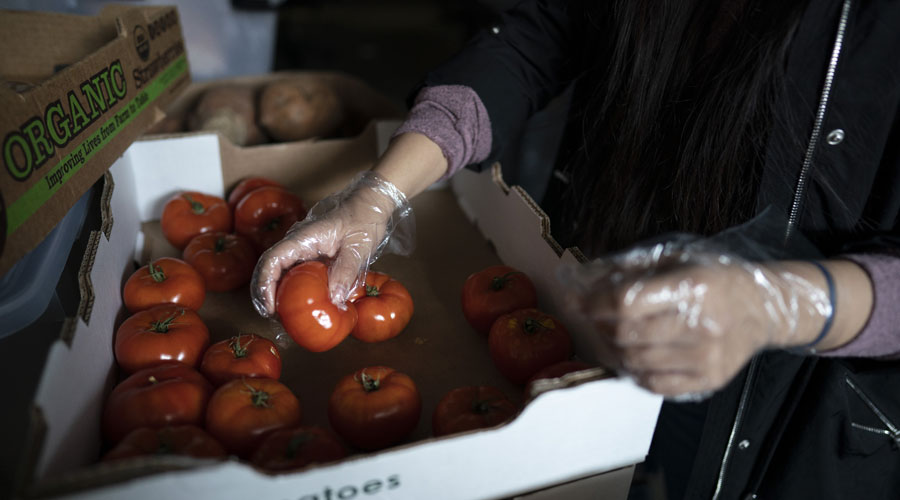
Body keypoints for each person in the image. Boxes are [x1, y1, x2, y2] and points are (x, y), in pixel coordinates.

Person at [252, 0, 900, 498]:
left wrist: (777, 305)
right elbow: (545, 33)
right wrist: (379, 194)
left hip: (800, 397)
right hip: (599, 302)